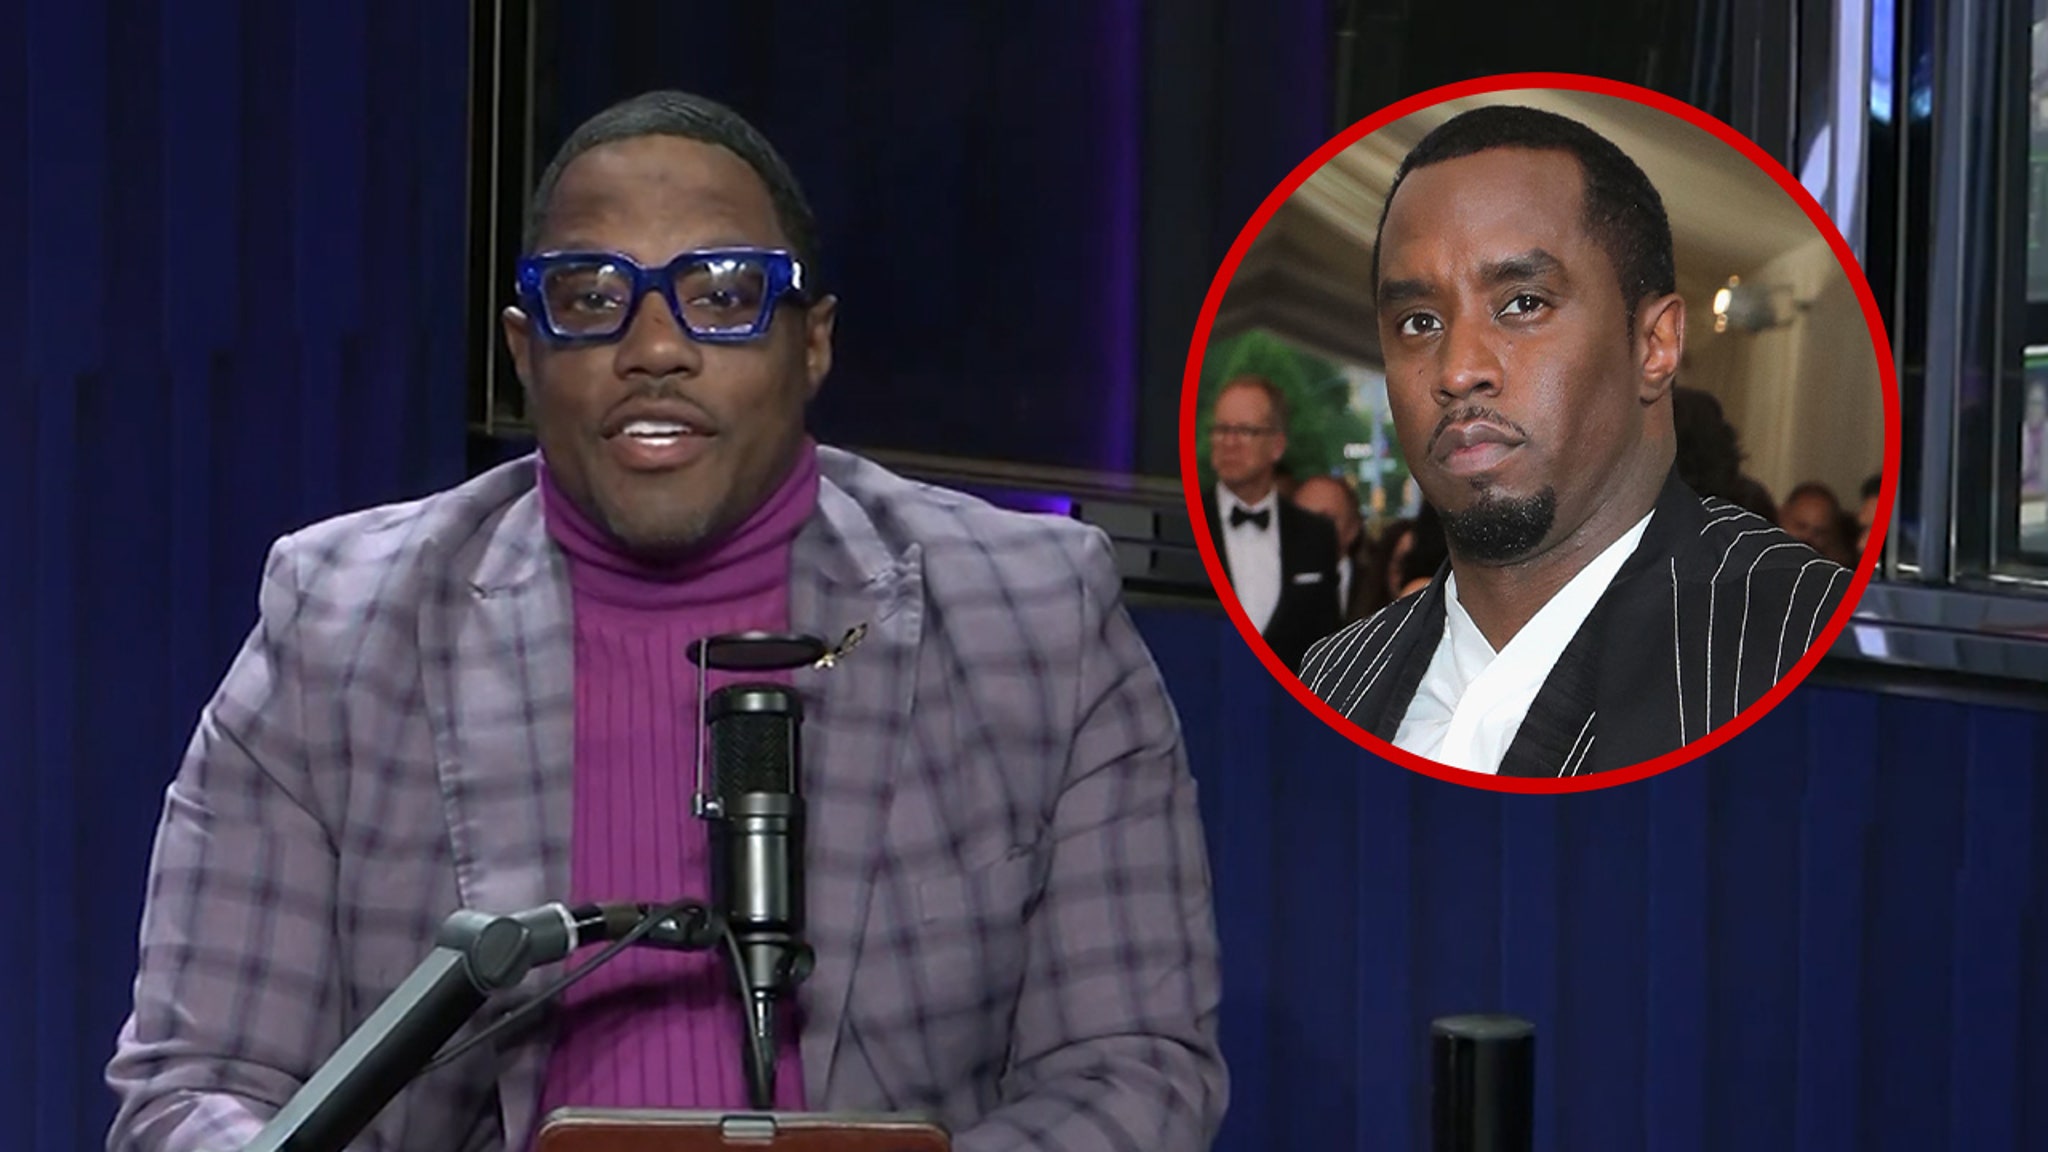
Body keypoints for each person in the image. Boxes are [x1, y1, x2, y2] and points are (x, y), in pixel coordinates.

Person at [105, 91, 1226, 1152]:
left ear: (814, 343)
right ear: (525, 352)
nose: (654, 348)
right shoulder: (338, 628)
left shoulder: (1034, 619)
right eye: (592, 296)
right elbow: (197, 1089)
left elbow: (1133, 1073)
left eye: (725, 294)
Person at [1299, 105, 1851, 778]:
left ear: (1655, 345)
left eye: (1523, 304)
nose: (1458, 369)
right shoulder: (1335, 676)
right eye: (1419, 321)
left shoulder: (1801, 644)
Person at [1200, 377, 1343, 671]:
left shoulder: (1315, 536)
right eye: (1221, 429)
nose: (1229, 443)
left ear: (1277, 446)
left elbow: (1326, 643)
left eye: (1245, 431)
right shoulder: (1187, 522)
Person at [1291, 474, 1378, 621]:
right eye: (1301, 519)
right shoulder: (1269, 582)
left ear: (1353, 529)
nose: (1311, 529)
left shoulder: (1378, 583)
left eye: (1325, 520)